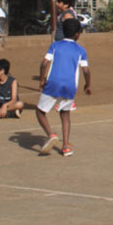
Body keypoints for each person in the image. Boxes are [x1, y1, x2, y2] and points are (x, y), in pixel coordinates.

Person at [36, 18, 91, 156]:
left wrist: (42, 80)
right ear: (78, 34)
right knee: (65, 114)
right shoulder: (80, 50)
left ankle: (50, 134)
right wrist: (88, 84)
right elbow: (85, 70)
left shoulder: (55, 46)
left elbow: (44, 63)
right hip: (70, 86)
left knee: (40, 111)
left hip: (53, 83)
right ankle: (66, 146)